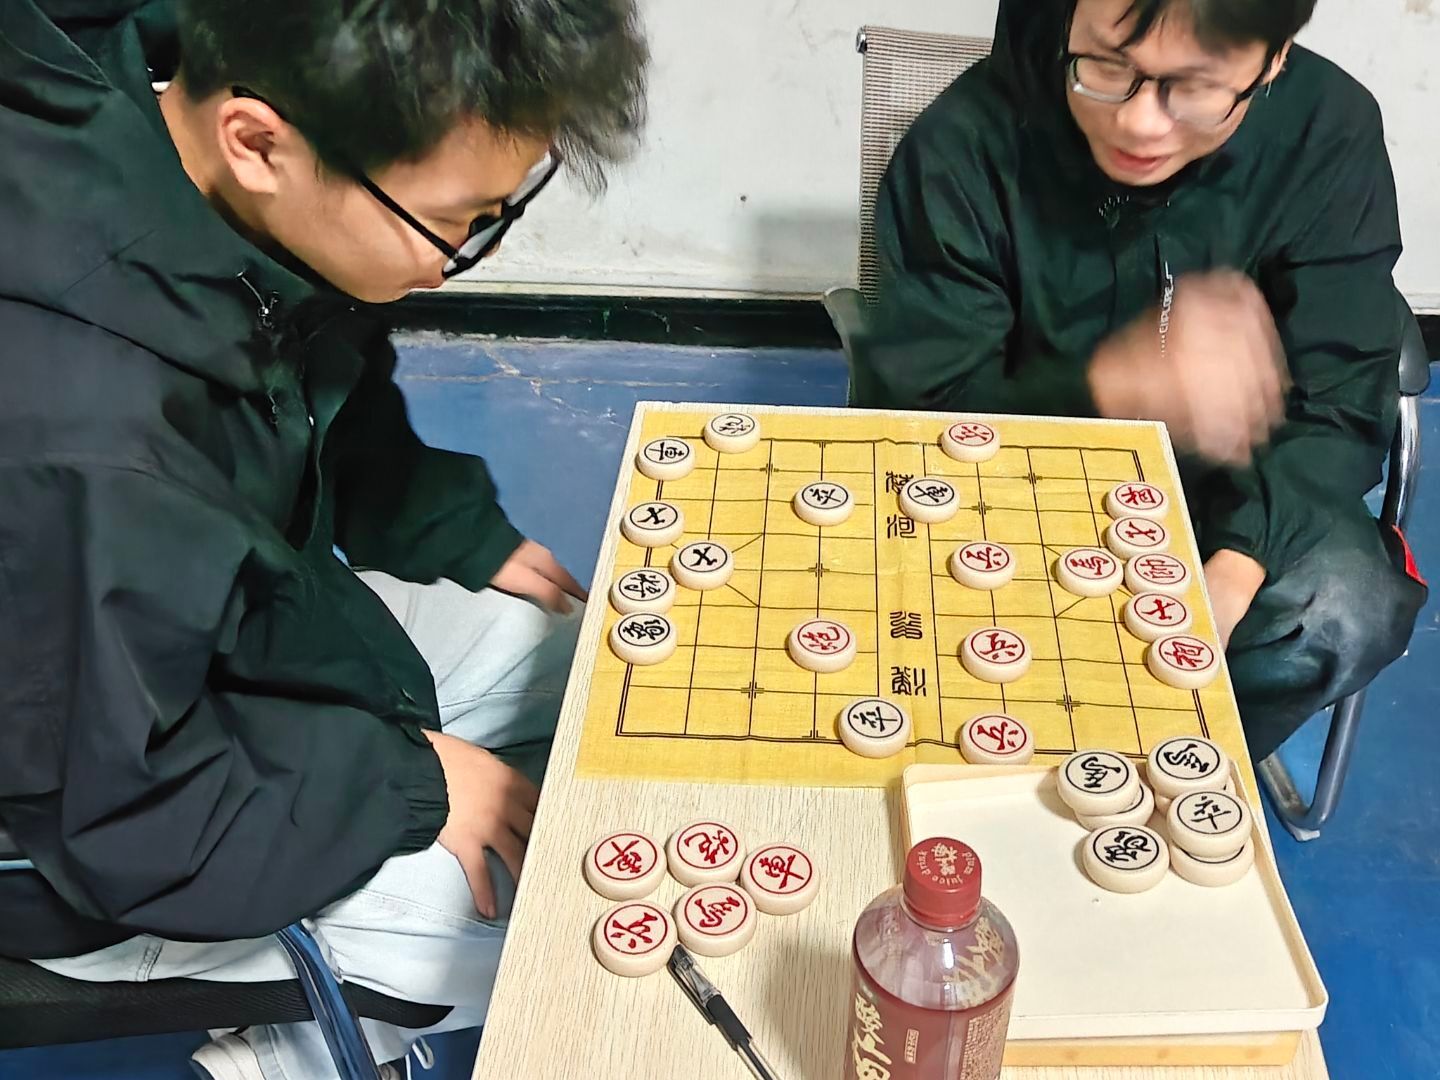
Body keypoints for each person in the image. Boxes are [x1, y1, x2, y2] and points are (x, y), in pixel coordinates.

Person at [0, 0, 646, 1076]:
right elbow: (128, 813)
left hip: (199, 638)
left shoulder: (213, 135)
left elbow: (309, 362)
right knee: (572, 916)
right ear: (257, 143)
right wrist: (409, 782)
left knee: (591, 670)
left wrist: (443, 524)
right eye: (452, 223)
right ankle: (288, 1054)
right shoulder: (82, 430)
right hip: (89, 829)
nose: (454, 260)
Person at [857, 0, 1426, 761]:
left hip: (1235, 493)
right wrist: (1103, 386)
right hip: (1014, 485)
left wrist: (1238, 567)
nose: (1138, 124)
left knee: (1341, 608)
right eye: (1106, 65)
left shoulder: (1326, 131)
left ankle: (1154, 769)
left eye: (1194, 87)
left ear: (1272, 59)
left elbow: (1340, 395)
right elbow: (913, 416)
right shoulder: (966, 140)